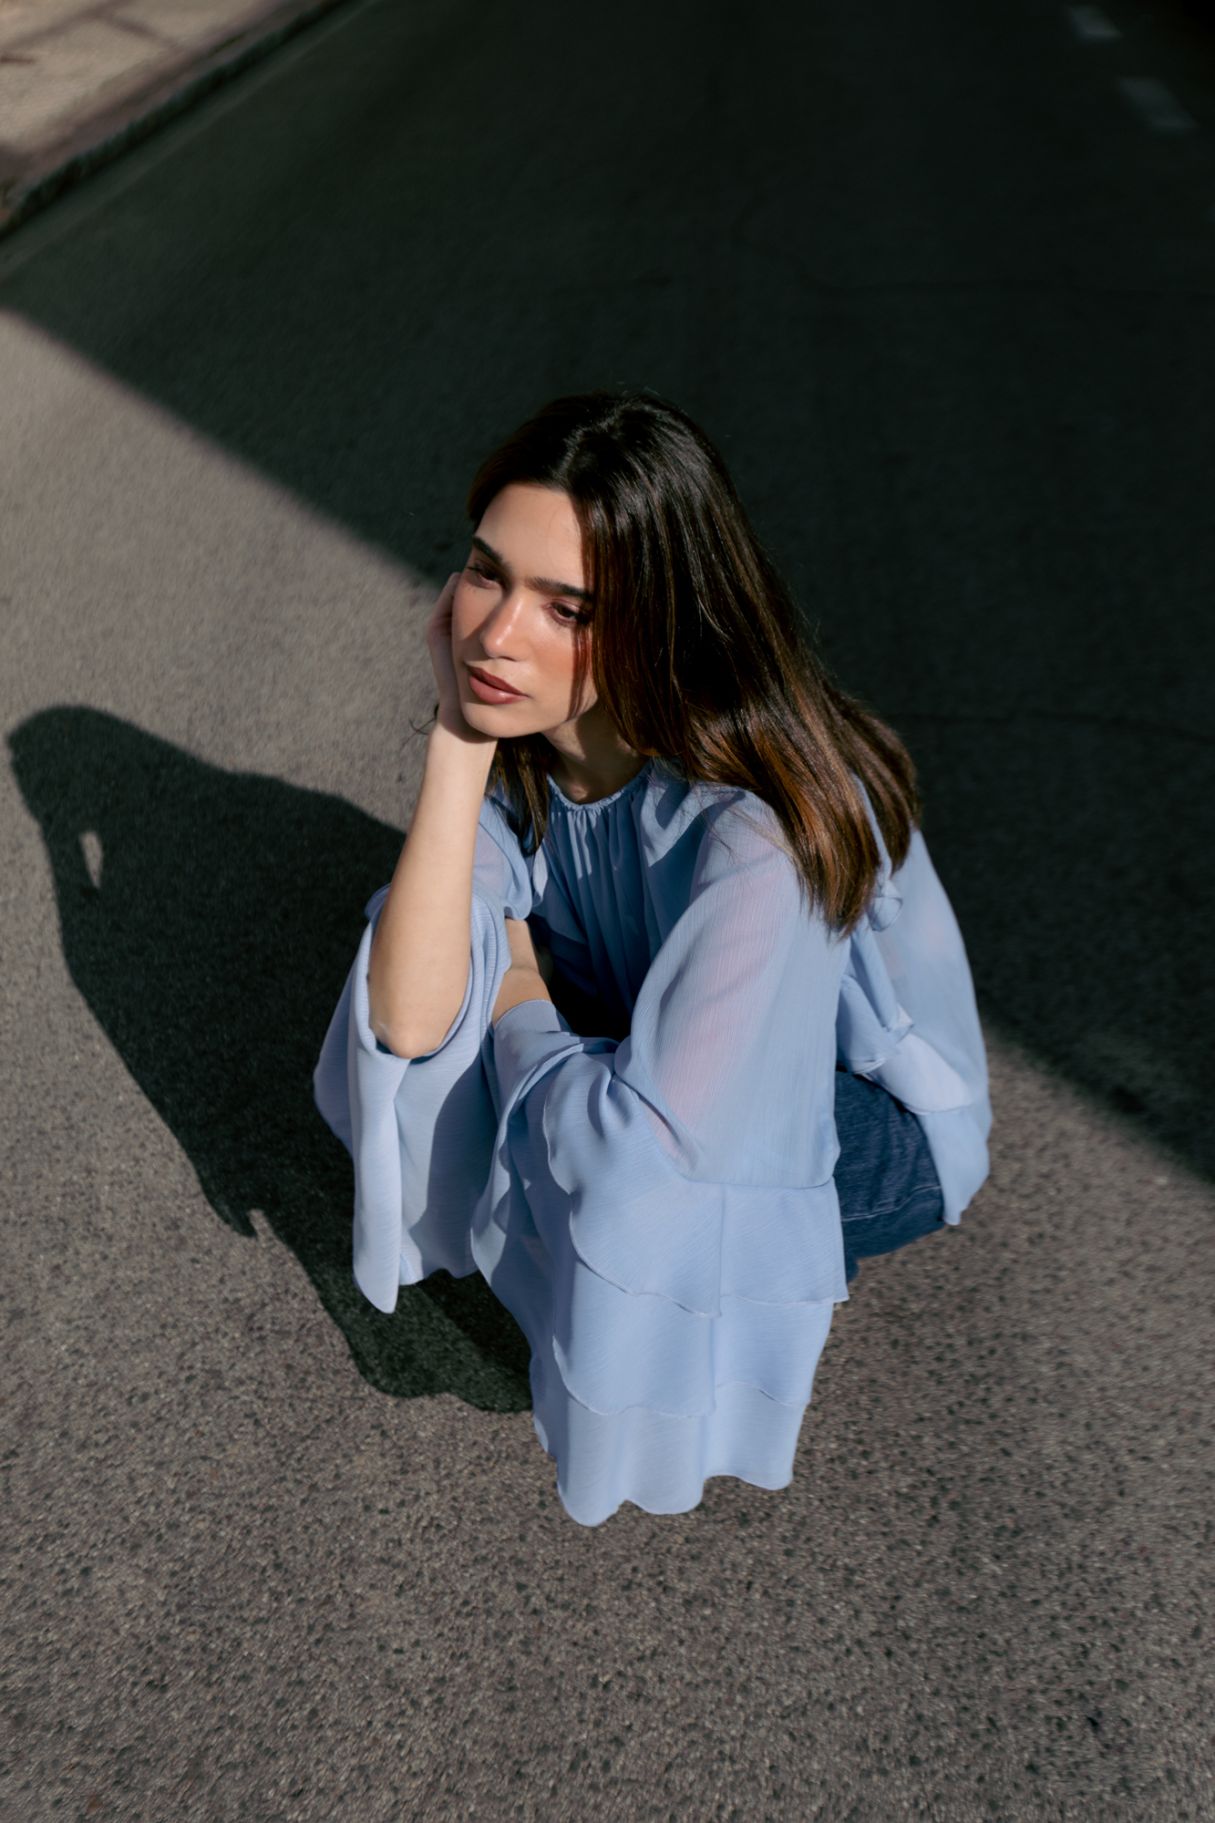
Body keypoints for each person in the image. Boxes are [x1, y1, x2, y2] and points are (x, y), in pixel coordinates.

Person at [313, 388, 991, 1528]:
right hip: (658, 1027)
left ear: (660, 622)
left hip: (849, 1113)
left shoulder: (753, 827)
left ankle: (752, 1263)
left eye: (566, 605)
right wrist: (453, 741)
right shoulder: (524, 737)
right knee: (460, 997)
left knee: (637, 1195)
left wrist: (523, 992)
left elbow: (648, 1154)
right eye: (486, 572)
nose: (494, 636)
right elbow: (409, 1018)